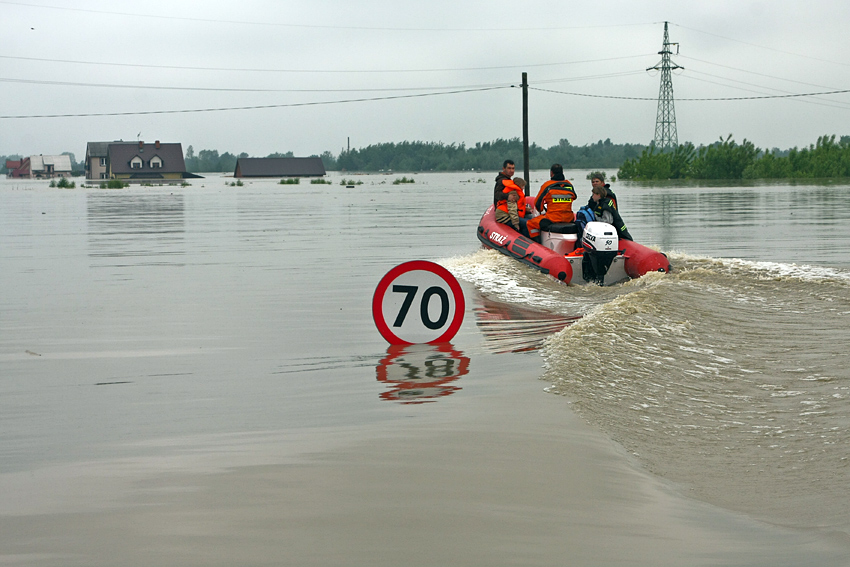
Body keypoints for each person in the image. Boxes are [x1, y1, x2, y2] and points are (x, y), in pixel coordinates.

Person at [525, 164, 577, 241]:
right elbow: (574, 197)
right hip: (569, 218)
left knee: (530, 224)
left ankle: (537, 243)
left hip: (552, 218)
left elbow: (538, 206)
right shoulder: (569, 185)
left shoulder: (547, 186)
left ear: (551, 173)